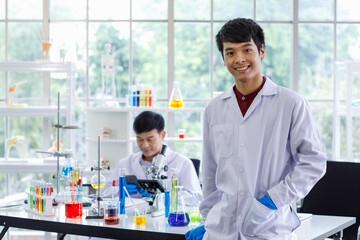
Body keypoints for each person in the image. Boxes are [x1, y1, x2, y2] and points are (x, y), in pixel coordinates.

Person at [186, 18, 327, 240]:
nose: (239, 59)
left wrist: (273, 201)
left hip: (269, 227)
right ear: (223, 59)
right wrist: (207, 219)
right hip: (220, 230)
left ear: (261, 51)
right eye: (230, 52)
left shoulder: (290, 103)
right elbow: (211, 171)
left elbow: (314, 162)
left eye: (247, 50)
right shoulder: (215, 108)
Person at [101, 110, 201, 203]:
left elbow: (195, 198)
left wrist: (160, 196)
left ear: (162, 135)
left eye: (150, 139)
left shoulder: (182, 163)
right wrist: (121, 190)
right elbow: (104, 192)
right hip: (133, 219)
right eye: (140, 139)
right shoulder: (125, 163)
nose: (145, 145)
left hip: (166, 219)